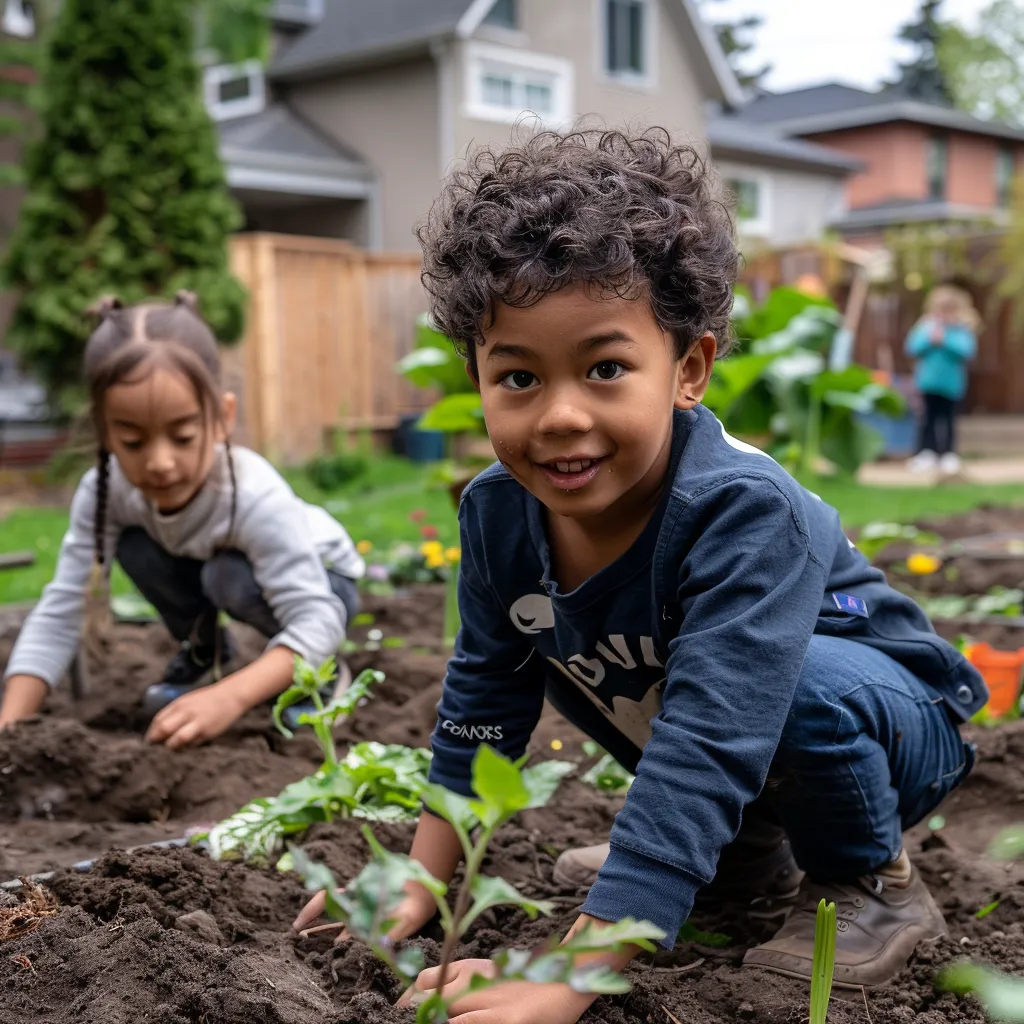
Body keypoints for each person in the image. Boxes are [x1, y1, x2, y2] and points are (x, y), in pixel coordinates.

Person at [294, 129, 985, 1022]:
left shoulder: (740, 508)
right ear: (477, 377)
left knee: (785, 686)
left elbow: (714, 733)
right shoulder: (499, 514)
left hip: (888, 726)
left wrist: (577, 965)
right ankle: (736, 865)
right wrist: (416, 881)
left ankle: (871, 877)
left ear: (687, 370)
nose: (561, 415)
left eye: (606, 368)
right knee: (557, 642)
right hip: (732, 726)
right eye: (518, 377)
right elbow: (482, 699)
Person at [0, 292, 364, 747]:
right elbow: (61, 610)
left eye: (183, 436)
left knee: (227, 576)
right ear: (105, 429)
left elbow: (319, 618)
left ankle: (320, 678)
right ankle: (205, 653)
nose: (160, 463)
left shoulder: (254, 494)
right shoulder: (104, 491)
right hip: (213, 568)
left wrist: (230, 698)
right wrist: (9, 730)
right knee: (138, 548)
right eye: (133, 441)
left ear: (221, 419)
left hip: (325, 584)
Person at [905, 285, 979, 475]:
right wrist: (930, 339)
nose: (945, 314)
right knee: (927, 419)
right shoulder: (926, 327)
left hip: (951, 385)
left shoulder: (960, 330)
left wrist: (944, 340)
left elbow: (967, 350)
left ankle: (948, 454)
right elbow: (912, 347)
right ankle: (926, 452)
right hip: (928, 383)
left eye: (949, 309)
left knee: (948, 419)